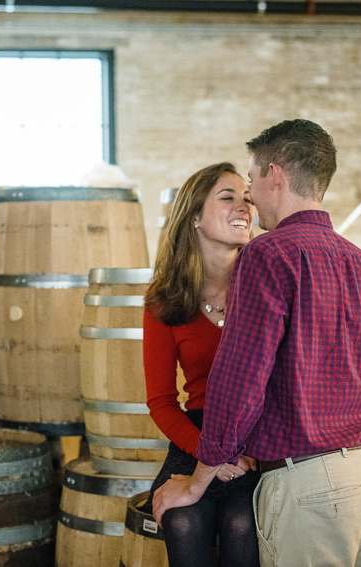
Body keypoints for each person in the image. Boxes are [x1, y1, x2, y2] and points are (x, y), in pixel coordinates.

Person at [152, 119, 361, 567]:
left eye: (251, 179)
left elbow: (239, 384)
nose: (249, 195)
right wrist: (351, 440)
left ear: (275, 174)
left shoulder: (267, 255)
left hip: (312, 484)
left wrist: (197, 482)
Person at [143, 162, 261, 567]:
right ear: (194, 215)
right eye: (228, 197)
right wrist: (212, 455)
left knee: (243, 526)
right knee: (182, 523)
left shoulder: (266, 286)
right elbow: (160, 401)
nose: (244, 206)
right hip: (198, 436)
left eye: (248, 197)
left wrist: (240, 455)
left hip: (258, 441)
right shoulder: (165, 299)